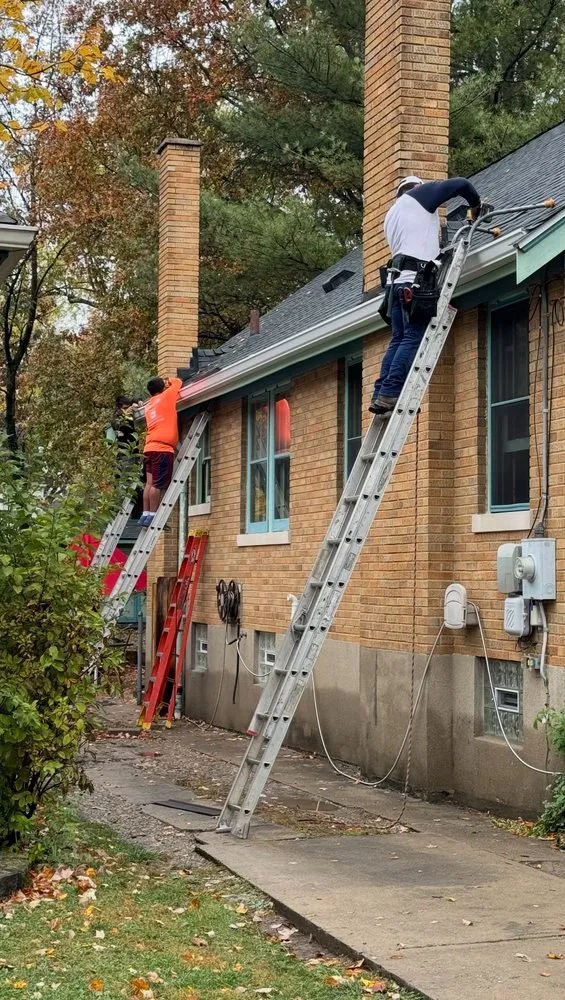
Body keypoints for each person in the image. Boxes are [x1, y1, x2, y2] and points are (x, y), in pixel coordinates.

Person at [369, 175, 482, 415]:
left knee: (398, 339)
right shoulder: (417, 197)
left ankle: (382, 393)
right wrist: (476, 207)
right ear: (418, 188)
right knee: (411, 338)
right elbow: (461, 184)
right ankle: (390, 393)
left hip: (395, 285)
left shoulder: (392, 215)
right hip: (415, 283)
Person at [140, 376, 183, 527]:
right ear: (162, 388)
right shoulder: (166, 396)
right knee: (157, 485)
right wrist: (169, 379)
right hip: (162, 449)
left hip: (149, 448)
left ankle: (145, 514)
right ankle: (153, 516)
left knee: (149, 483)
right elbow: (178, 382)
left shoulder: (149, 405)